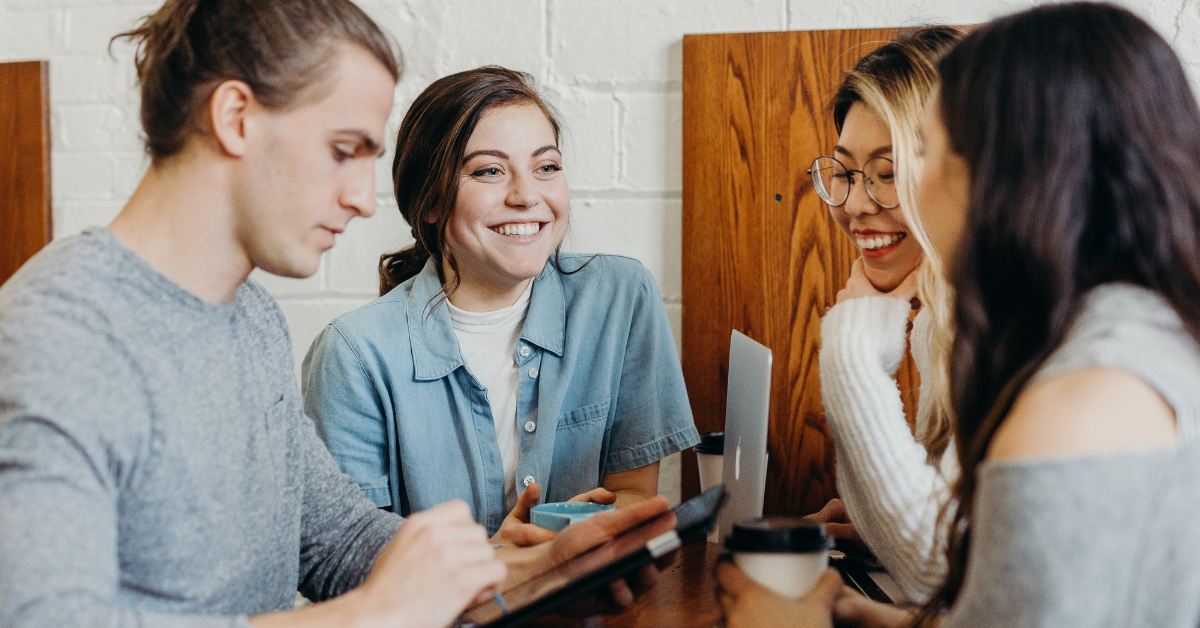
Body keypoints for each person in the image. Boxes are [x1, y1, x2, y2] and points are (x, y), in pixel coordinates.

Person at [0, 2, 671, 627]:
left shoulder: (250, 319)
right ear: (235, 118)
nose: (360, 198)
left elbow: (338, 540)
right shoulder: (59, 335)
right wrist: (370, 616)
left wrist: (529, 570)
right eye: (343, 150)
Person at [720, 3, 1200, 627]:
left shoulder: (1075, 402)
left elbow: (955, 572)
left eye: (927, 154)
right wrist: (870, 617)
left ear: (1011, 174)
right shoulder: (1136, 335)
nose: (881, 198)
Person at [301, 66, 700, 546]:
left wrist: (569, 542)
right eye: (489, 170)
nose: (526, 195)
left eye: (546, 167)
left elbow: (633, 494)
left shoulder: (620, 297)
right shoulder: (353, 354)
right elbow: (352, 560)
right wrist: (504, 563)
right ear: (428, 202)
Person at [805, 26, 964, 604]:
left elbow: (937, 572)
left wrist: (850, 349)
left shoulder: (1008, 325)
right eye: (844, 172)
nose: (854, 204)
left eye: (888, 172)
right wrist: (879, 523)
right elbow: (956, 552)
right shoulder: (940, 321)